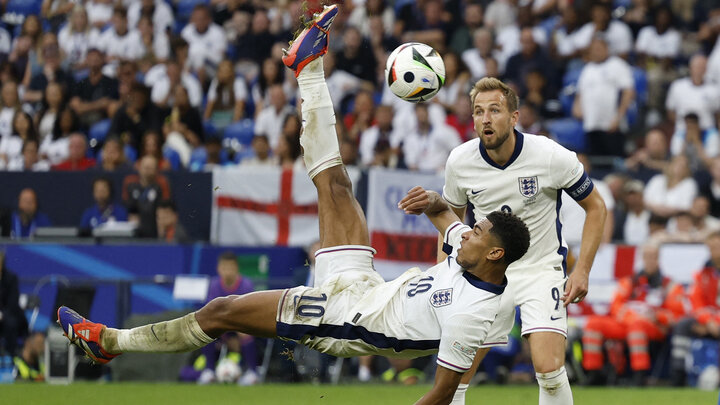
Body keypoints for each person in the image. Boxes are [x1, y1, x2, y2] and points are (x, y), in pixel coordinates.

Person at [58, 7, 531, 403]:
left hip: (338, 319)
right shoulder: (470, 255)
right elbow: (447, 219)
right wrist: (432, 204)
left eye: (477, 233)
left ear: (494, 254)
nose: (467, 232)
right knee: (338, 185)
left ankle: (108, 343)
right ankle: (310, 67)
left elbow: (443, 394)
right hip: (363, 286)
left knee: (223, 310)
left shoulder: (473, 311)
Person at [438, 77, 607, 404]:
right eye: (478, 112)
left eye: (494, 110)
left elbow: (597, 207)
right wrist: (444, 276)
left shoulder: (549, 155)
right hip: (487, 274)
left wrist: (582, 270)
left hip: (541, 269)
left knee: (549, 371)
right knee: (456, 375)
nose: (485, 119)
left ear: (514, 118)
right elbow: (450, 222)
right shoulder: (460, 161)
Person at [581, 242, 685, 385]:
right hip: (627, 322)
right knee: (593, 323)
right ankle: (593, 373)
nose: (649, 260)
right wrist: (632, 316)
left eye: (653, 257)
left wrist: (657, 316)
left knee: (637, 326)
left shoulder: (669, 285)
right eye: (646, 256)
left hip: (653, 325)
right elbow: (616, 307)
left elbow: (676, 315)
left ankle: (639, 375)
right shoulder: (630, 282)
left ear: (658, 258)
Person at [670, 231, 720, 385]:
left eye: (717, 247)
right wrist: (709, 321)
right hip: (708, 322)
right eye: (711, 247)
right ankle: (678, 376)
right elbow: (696, 302)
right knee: (683, 325)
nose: (714, 251)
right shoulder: (703, 273)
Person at [122, 155, 171, 238]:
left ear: (156, 170)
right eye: (145, 167)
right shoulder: (131, 186)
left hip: (154, 231)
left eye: (151, 168)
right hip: (134, 234)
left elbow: (164, 210)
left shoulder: (160, 187)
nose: (147, 171)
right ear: (139, 168)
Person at [0, 250, 28, 355]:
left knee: (11, 324)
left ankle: (12, 354)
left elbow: (12, 302)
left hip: (8, 315)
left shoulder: (11, 278)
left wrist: (2, 315)